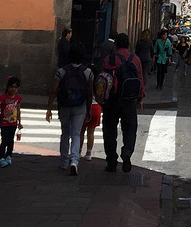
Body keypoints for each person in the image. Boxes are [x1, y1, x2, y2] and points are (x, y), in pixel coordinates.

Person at [45, 42, 93, 175]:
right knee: (76, 134)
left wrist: (49, 108)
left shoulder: (61, 71)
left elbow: (54, 90)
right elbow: (89, 93)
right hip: (80, 106)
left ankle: (63, 161)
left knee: (65, 133)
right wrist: (89, 109)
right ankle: (74, 161)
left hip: (64, 106)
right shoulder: (88, 72)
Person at [100, 32, 145, 173]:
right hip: (129, 100)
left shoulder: (109, 59)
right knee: (130, 129)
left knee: (109, 131)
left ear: (116, 44)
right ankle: (127, 151)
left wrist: (101, 99)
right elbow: (140, 80)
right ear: (128, 44)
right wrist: (140, 98)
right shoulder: (135, 59)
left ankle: (111, 161)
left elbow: (103, 79)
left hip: (112, 101)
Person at [0, 75, 23, 167]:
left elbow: (18, 110)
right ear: (8, 87)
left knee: (11, 140)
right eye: (11, 87)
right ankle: (1, 157)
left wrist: (19, 122)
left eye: (15, 87)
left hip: (13, 123)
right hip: (4, 123)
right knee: (5, 140)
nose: (13, 89)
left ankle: (9, 155)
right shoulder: (3, 97)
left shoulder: (17, 98)